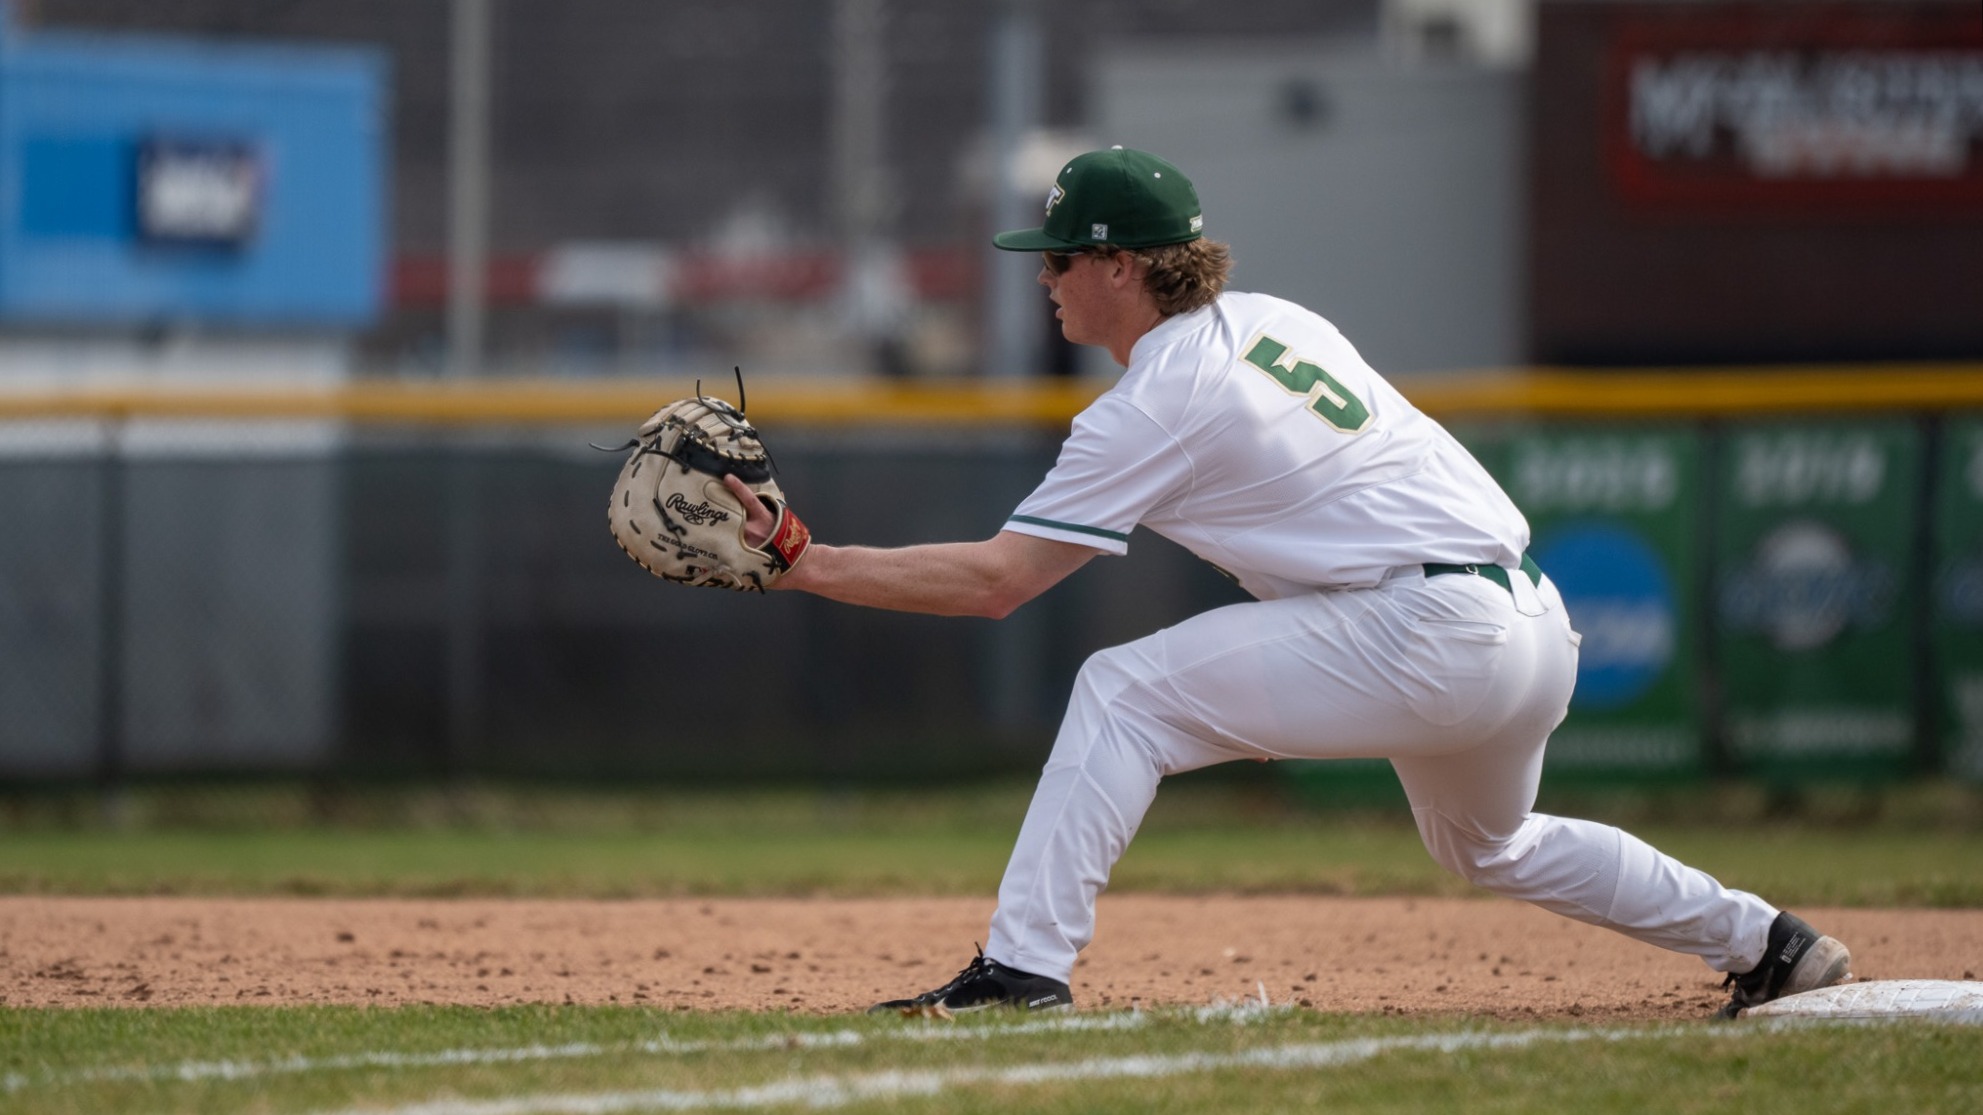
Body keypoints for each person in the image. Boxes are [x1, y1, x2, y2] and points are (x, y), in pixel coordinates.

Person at [723, 146, 1851, 1020]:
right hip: (1529, 621)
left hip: (1426, 630)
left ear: (1123, 265)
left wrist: (805, 560)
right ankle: (1767, 942)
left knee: (1124, 690)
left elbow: (999, 581)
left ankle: (1021, 969)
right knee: (1487, 844)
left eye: (1061, 257)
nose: (1047, 279)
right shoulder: (1271, 323)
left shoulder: (1153, 398)